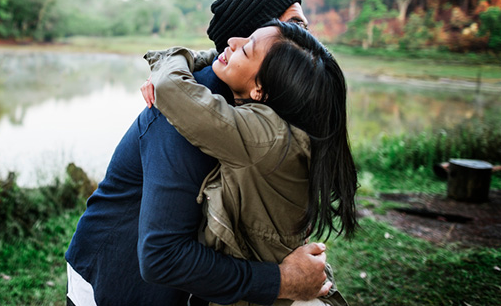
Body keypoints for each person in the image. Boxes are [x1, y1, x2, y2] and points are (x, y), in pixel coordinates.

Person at [65, 0, 330, 306]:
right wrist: (281, 280)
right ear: (256, 37)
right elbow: (163, 255)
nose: (308, 36)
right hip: (119, 276)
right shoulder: (186, 108)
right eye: (296, 25)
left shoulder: (268, 107)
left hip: (185, 280)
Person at [141, 20, 358, 306]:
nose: (233, 40)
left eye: (247, 49)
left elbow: (169, 86)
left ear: (259, 90)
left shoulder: (262, 136)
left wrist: (174, 58)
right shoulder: (290, 130)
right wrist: (217, 59)